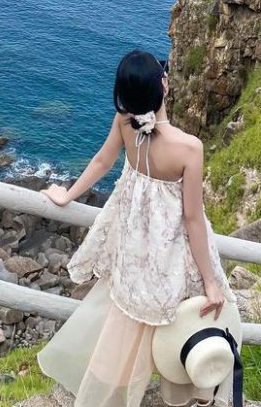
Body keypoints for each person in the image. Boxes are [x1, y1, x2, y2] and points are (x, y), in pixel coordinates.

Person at [36, 49, 238, 407]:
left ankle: (110, 394)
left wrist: (67, 194)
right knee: (186, 320)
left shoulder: (124, 123)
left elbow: (102, 161)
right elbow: (192, 218)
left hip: (134, 245)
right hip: (172, 248)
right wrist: (210, 280)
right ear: (164, 86)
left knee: (127, 322)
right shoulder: (189, 148)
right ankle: (188, 395)